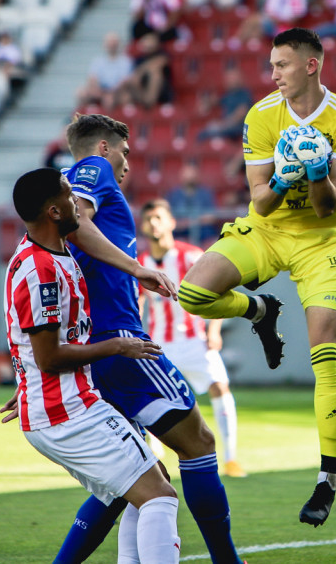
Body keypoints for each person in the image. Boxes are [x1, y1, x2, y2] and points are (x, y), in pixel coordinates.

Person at [178, 28, 336, 526]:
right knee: (193, 292)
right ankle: (260, 310)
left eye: (281, 65)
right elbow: (259, 197)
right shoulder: (261, 115)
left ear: (311, 65)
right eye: (271, 65)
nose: (273, 74)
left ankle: (327, 478)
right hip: (267, 229)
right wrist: (286, 176)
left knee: (325, 352)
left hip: (323, 240)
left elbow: (330, 204)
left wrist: (317, 170)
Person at [52, 114, 242, 563]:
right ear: (102, 147)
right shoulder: (90, 171)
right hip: (121, 341)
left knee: (134, 480)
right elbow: (77, 220)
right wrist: (137, 268)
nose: (127, 163)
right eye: (124, 151)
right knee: (198, 444)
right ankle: (227, 560)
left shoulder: (54, 190)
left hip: (87, 350)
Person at [0, 168, 180, 564]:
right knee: (160, 497)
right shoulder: (40, 270)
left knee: (143, 490)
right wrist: (117, 346)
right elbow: (48, 356)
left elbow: (37, 345)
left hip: (64, 404)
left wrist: (27, 379)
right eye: (68, 194)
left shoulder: (55, 252)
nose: (76, 201)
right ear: (53, 211)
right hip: (67, 412)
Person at [138, 199, 245, 478]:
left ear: (172, 222)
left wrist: (213, 330)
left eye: (159, 217)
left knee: (220, 388)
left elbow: (217, 291)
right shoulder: (139, 264)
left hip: (195, 340)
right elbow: (135, 305)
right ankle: (154, 459)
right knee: (150, 398)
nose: (153, 223)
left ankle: (231, 458)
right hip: (158, 343)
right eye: (149, 218)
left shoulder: (191, 256)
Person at [77, 32, 133, 109]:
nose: (112, 45)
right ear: (105, 44)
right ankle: (80, 117)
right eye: (109, 43)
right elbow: (92, 79)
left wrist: (111, 94)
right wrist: (102, 94)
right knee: (81, 93)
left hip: (117, 92)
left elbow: (124, 82)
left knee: (127, 97)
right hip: (100, 91)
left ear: (118, 44)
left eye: (114, 43)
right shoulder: (97, 61)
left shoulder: (126, 61)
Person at [166, 164, 217, 246]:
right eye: (187, 176)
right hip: (180, 233)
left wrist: (191, 222)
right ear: (181, 177)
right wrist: (180, 224)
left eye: (192, 176)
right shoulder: (174, 195)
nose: (189, 179)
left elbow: (211, 217)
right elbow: (168, 218)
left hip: (203, 232)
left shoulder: (205, 193)